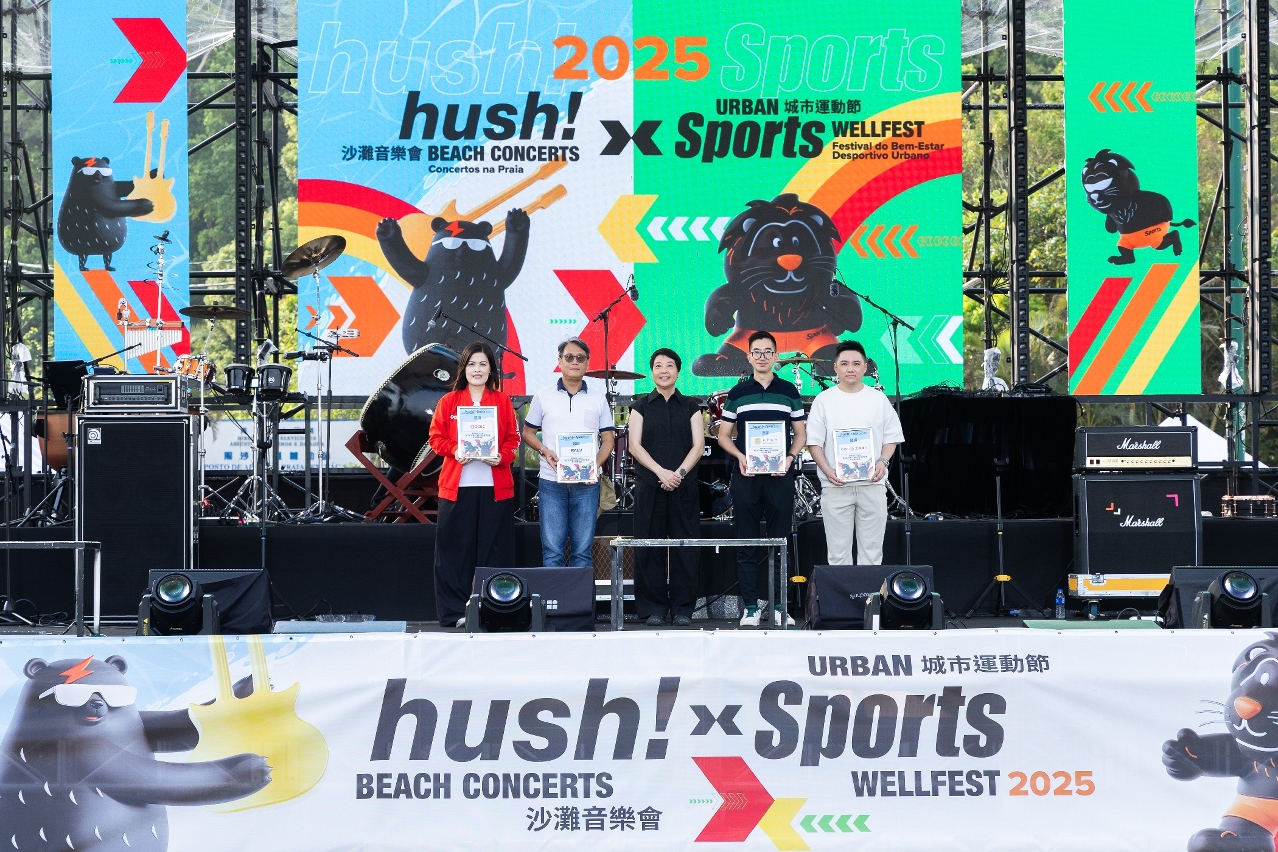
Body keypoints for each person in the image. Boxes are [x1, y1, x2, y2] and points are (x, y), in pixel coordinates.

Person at [716, 330, 807, 627]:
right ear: (749, 356)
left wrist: (790, 457)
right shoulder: (737, 393)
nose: (763, 356)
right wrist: (740, 456)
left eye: (768, 351)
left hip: (780, 475)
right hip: (746, 475)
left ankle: (780, 606)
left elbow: (800, 434)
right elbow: (723, 436)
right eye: (757, 352)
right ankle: (751, 607)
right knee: (747, 542)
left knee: (780, 541)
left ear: (776, 356)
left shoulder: (789, 392)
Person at [427, 342, 521, 627]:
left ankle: (496, 610)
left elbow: (513, 440)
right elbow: (435, 438)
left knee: (495, 552)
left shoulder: (502, 401)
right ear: (463, 369)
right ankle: (455, 613)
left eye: (482, 364)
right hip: (457, 488)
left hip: (495, 488)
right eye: (471, 364)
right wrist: (455, 450)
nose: (477, 370)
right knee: (454, 552)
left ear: (491, 369)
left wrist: (501, 457)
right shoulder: (449, 401)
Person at [806, 340, 904, 566]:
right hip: (835, 487)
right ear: (835, 367)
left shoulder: (878, 399)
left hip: (872, 485)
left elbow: (891, 437)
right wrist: (827, 470)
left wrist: (882, 461)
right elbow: (814, 443)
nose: (850, 368)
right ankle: (841, 592)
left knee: (872, 554)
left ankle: (869, 592)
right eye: (844, 364)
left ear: (865, 367)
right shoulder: (824, 400)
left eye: (856, 363)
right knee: (838, 555)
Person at [522, 337, 615, 567]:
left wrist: (594, 465)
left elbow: (608, 440)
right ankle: (555, 593)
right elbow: (528, 432)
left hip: (586, 484)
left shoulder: (598, 398)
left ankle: (578, 594)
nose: (575, 361)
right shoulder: (543, 395)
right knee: (552, 551)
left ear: (587, 363)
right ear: (559, 361)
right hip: (551, 482)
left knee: (582, 552)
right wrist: (544, 450)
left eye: (580, 358)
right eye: (569, 357)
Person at [628, 348, 704, 627]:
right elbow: (634, 446)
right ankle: (654, 608)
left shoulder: (691, 407)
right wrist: (661, 472)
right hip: (650, 484)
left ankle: (683, 608)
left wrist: (679, 474)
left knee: (685, 547)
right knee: (649, 547)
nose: (664, 370)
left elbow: (699, 445)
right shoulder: (640, 406)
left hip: (684, 487)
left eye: (669, 365)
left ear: (678, 371)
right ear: (652, 372)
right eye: (658, 366)